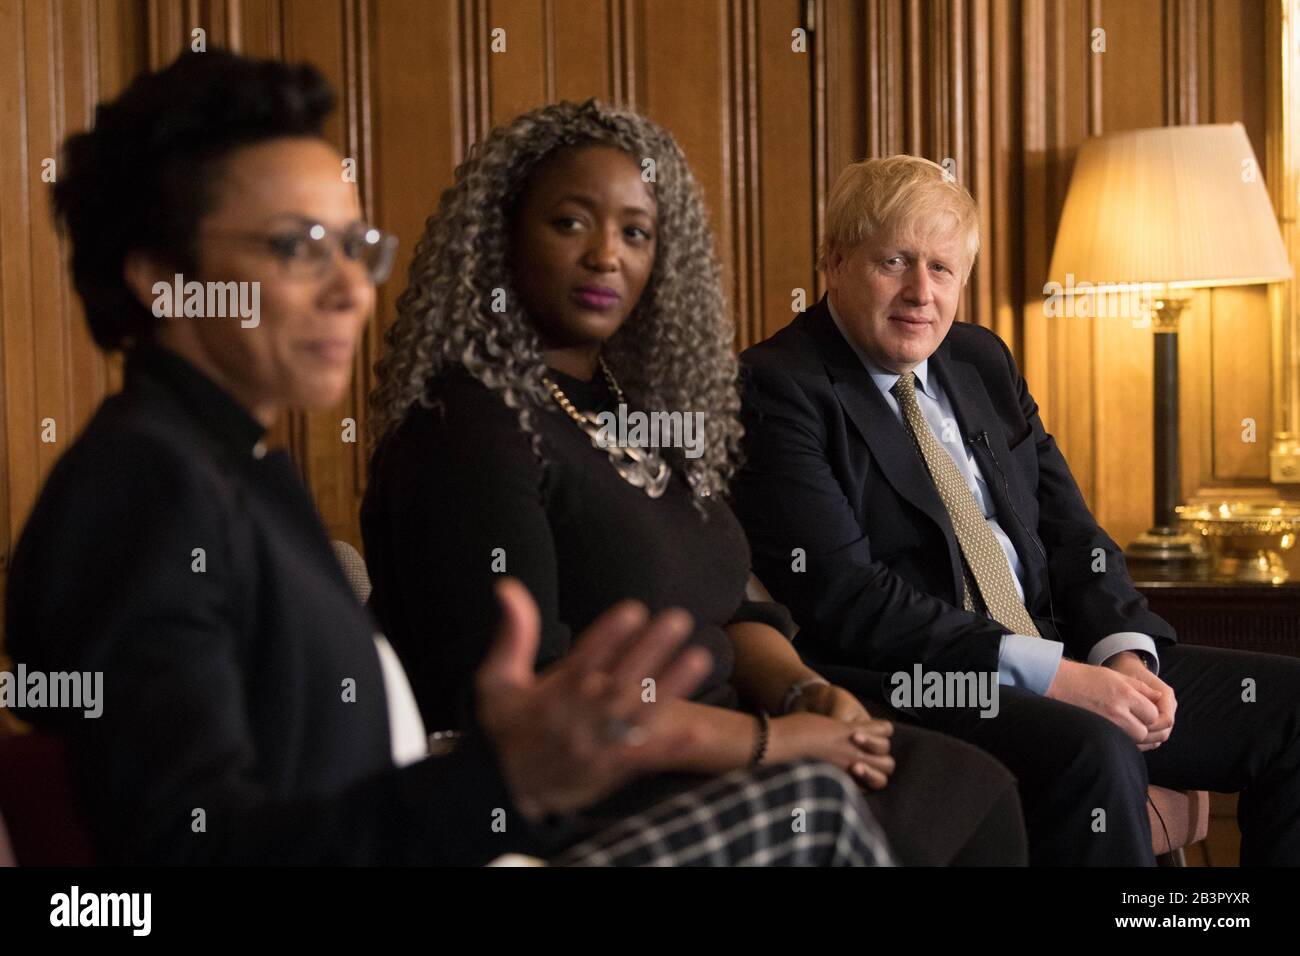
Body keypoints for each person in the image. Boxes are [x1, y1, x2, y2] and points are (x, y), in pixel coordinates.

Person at [3, 49, 893, 868]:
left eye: (355, 247)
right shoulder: (142, 491)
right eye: (297, 247)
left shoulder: (236, 464)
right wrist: (508, 780)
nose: (352, 286)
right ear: (159, 273)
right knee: (814, 809)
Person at [363, 99, 1027, 865]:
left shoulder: (636, 411)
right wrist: (776, 742)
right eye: (571, 223)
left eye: (636, 232)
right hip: (589, 790)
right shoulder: (465, 430)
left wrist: (805, 693)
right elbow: (541, 704)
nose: (607, 255)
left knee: (966, 783)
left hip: (727, 738)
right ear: (500, 237)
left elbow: (732, 606)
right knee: (880, 803)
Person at [732, 154, 1300, 865]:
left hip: (1058, 651)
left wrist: (1121, 654)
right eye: (895, 262)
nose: (920, 292)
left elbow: (1072, 533)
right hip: (916, 679)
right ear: (834, 261)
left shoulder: (980, 361)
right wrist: (1059, 679)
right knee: (1093, 750)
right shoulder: (775, 387)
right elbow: (847, 600)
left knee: (1291, 707)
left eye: (942, 269)